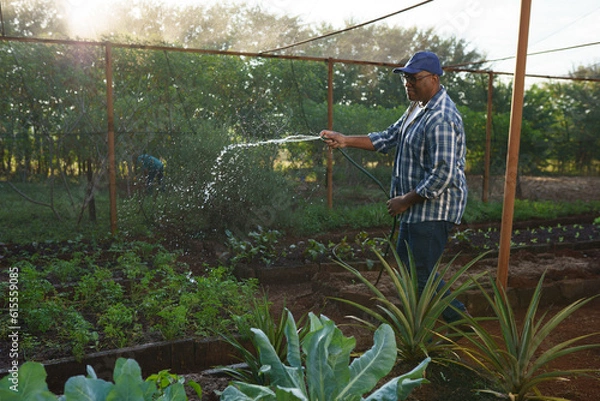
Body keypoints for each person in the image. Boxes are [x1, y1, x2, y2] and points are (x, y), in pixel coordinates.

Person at [320, 51, 469, 323]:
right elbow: (388, 137)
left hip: (432, 211)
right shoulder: (417, 107)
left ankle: (460, 323)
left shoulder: (442, 117)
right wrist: (344, 140)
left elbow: (443, 174)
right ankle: (424, 321)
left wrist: (405, 201)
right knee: (406, 266)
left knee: (421, 275)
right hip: (414, 208)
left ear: (434, 79)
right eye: (405, 79)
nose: (408, 84)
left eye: (414, 79)